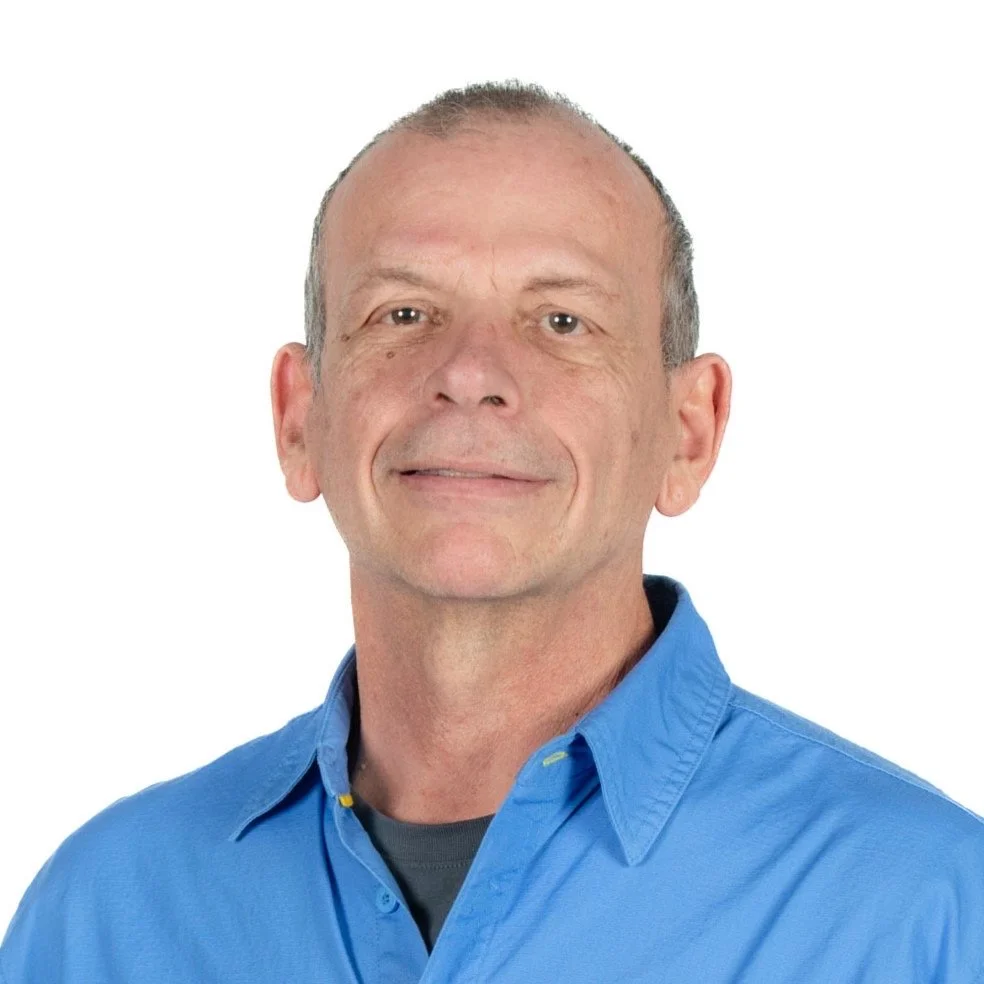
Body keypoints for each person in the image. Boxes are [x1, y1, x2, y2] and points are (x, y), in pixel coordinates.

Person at [2, 79, 982, 983]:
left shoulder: (927, 916)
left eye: (561, 321)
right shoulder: (103, 919)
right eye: (404, 311)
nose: (470, 371)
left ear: (689, 432)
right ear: (300, 418)